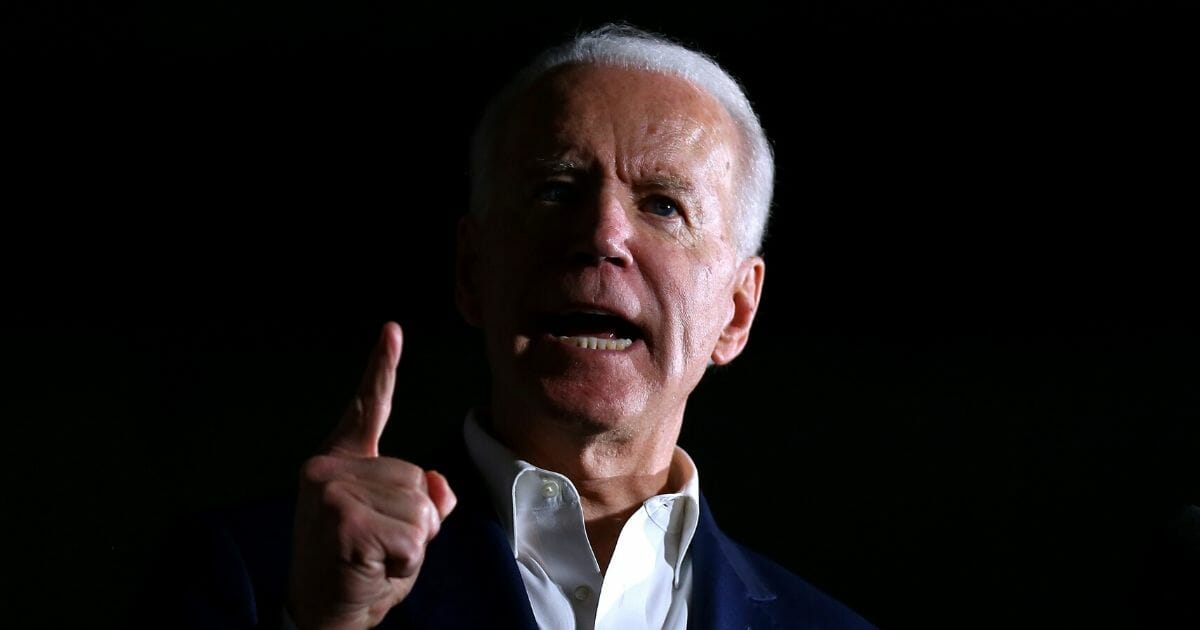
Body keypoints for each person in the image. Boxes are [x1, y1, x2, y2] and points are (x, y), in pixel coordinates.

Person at [151, 25, 876, 629]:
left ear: (737, 312)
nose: (603, 234)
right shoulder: (258, 579)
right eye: (556, 190)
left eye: (662, 206)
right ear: (472, 273)